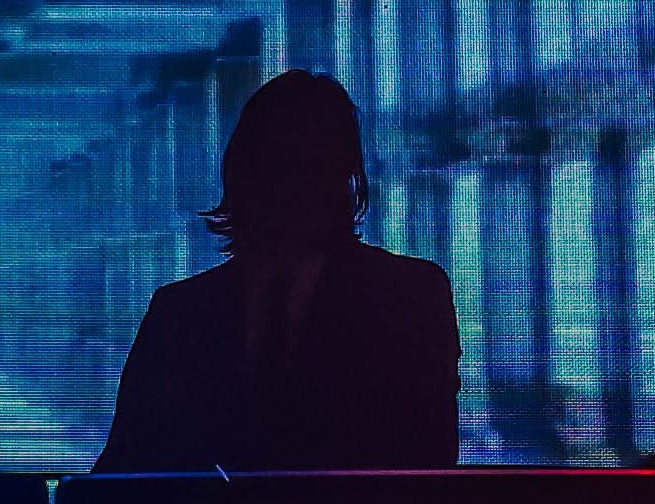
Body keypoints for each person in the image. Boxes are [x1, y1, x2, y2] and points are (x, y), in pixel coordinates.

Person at [95, 69, 462, 473]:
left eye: (312, 165)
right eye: (280, 166)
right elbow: (121, 472)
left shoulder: (410, 299)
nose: (294, 188)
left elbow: (427, 460)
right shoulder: (178, 315)